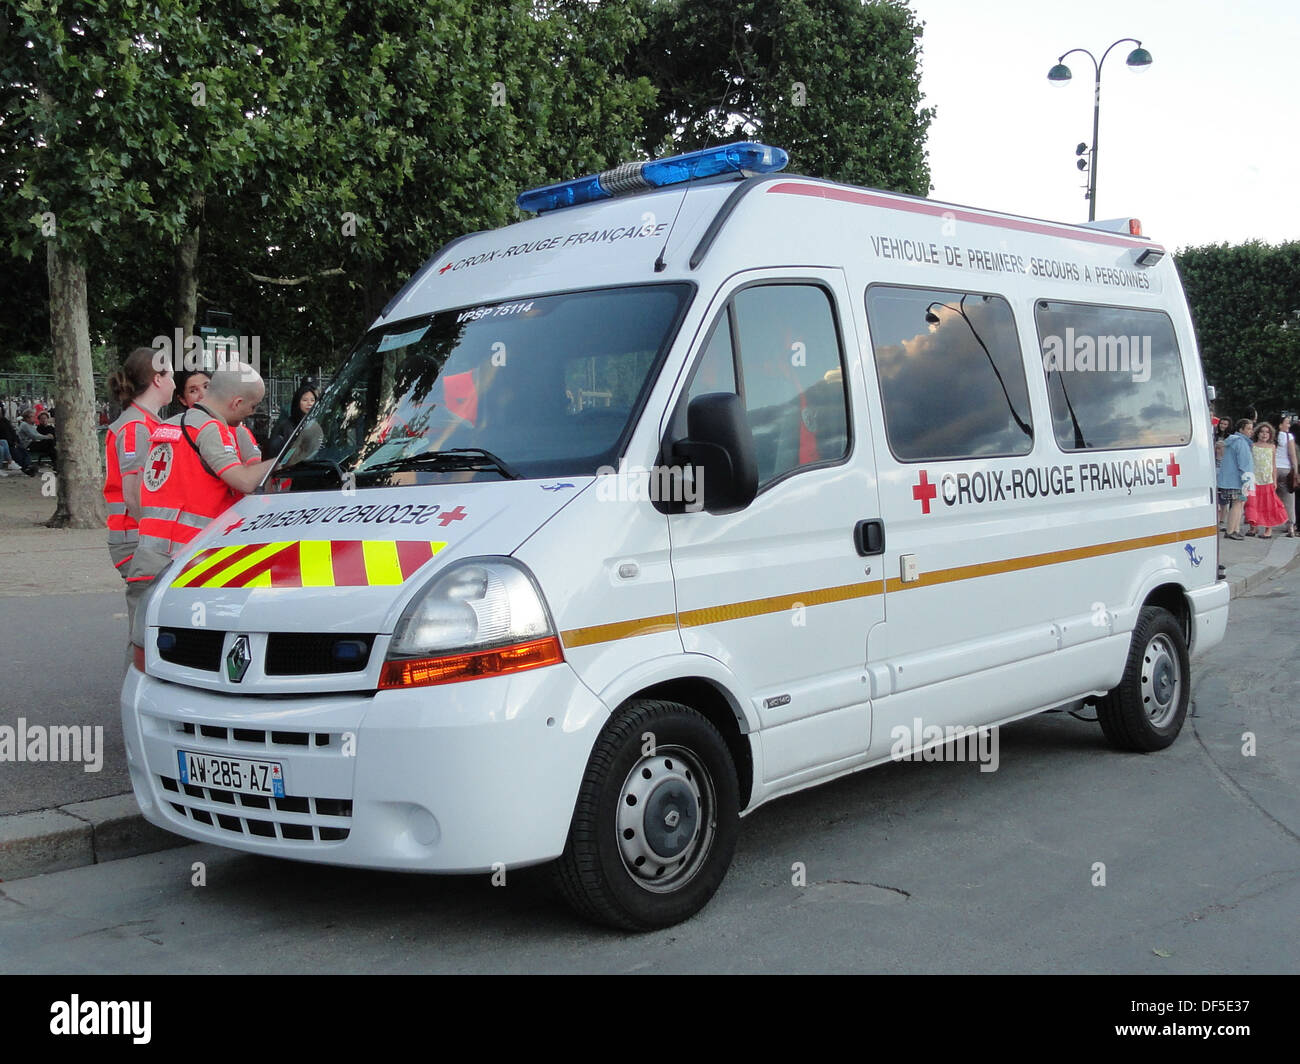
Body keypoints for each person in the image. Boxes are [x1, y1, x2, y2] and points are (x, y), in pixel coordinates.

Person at [126, 364, 276, 645]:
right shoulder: (211, 430)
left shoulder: (166, 428)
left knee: (142, 648)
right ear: (236, 402)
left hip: (147, 559)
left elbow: (134, 492)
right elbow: (244, 481)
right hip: (189, 563)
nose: (251, 412)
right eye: (252, 406)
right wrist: (283, 461)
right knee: (190, 651)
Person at [105, 347, 176, 639]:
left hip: (137, 537)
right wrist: (155, 539)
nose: (175, 383)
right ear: (157, 379)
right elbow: (133, 496)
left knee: (148, 625)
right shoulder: (137, 427)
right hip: (137, 540)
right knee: (145, 631)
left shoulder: (146, 423)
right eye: (171, 376)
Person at [178, 369, 263, 466]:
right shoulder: (177, 428)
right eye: (193, 391)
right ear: (182, 400)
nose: (203, 395)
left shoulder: (237, 430)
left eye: (206, 387)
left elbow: (255, 467)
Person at [1244, 422, 1287, 539]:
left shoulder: (1272, 447)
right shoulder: (1252, 446)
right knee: (1252, 503)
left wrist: (1275, 480)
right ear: (1257, 433)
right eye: (1262, 432)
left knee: (1268, 504)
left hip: (1267, 480)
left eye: (1267, 432)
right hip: (1254, 480)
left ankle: (1268, 528)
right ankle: (1253, 526)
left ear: (1270, 434)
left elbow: (1273, 465)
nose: (1264, 434)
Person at [1218, 417, 1253, 540]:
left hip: (1230, 479)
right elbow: (1244, 463)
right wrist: (1247, 480)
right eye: (1248, 429)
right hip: (1238, 479)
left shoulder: (1232, 441)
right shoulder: (1241, 442)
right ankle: (1231, 530)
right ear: (1241, 429)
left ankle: (1236, 529)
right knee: (1238, 504)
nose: (1251, 431)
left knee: (1239, 503)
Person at [267, 381, 319, 457]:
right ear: (297, 402)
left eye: (312, 400)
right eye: (305, 400)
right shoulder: (286, 426)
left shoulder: (318, 422)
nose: (309, 403)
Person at [1275, 413, 1298, 537]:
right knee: (1288, 499)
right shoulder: (1289, 436)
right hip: (1285, 469)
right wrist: (1296, 471)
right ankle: (1290, 526)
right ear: (1280, 425)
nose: (1289, 425)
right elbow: (1292, 455)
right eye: (1287, 423)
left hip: (1272, 469)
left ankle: (1266, 524)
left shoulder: (1271, 435)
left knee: (1270, 497)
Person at [0, 409, 36, 476]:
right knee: (16, 452)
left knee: (24, 452)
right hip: (8, 444)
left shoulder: (5, 420)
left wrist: (16, 441)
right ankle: (25, 468)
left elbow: (13, 432)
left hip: (14, 442)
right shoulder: (24, 425)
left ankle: (28, 466)